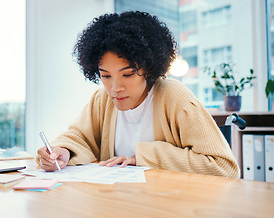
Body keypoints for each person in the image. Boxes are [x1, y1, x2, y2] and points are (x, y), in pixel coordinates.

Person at [37, 11, 240, 178]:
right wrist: (63, 152)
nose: (115, 87)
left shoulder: (174, 97)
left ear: (149, 69)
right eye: (106, 76)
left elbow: (224, 167)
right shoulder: (103, 99)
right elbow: (79, 137)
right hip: (120, 208)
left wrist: (142, 157)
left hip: (171, 210)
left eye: (127, 74)